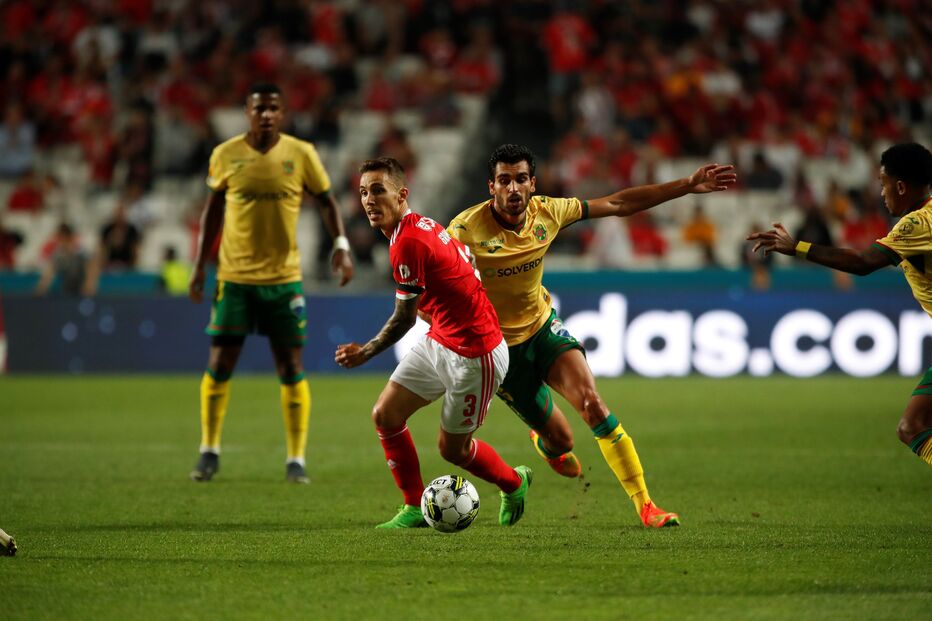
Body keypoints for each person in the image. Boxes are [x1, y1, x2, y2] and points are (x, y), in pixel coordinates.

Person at [449, 144, 736, 528]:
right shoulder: (465, 231)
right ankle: (545, 442)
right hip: (500, 351)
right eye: (504, 180)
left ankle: (646, 506)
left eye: (521, 179)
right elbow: (437, 284)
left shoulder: (548, 212)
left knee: (594, 405)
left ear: (533, 184)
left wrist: (686, 185)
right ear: (492, 187)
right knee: (562, 443)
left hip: (543, 329)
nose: (513, 188)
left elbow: (618, 205)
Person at [335, 157, 531, 529]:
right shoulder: (412, 229)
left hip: (477, 354)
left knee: (452, 450)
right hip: (442, 338)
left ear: (402, 194)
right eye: (363, 192)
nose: (368, 200)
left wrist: (366, 351)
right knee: (386, 415)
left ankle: (514, 482)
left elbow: (403, 317)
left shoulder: (407, 242)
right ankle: (413, 506)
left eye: (378, 190)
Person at [188, 83, 354, 484]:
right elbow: (212, 211)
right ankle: (209, 450)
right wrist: (199, 266)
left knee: (291, 366)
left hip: (284, 279)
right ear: (247, 111)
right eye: (259, 108)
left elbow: (327, 200)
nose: (266, 115)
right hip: (235, 277)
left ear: (282, 114)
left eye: (273, 109)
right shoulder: (225, 155)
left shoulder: (301, 154)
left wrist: (341, 244)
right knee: (220, 363)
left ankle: (296, 458)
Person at [748, 142, 932, 468]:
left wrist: (798, 247)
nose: (881, 192)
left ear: (900, 186)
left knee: (911, 427)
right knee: (912, 426)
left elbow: (863, 262)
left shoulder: (915, 224)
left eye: (883, 183)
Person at [34, 223, 95, 297]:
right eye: (59, 239)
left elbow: (90, 269)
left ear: (69, 237)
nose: (61, 242)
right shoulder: (59, 255)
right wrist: (41, 288)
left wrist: (88, 285)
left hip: (82, 290)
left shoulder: (81, 252)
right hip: (68, 290)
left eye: (63, 239)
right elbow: (50, 272)